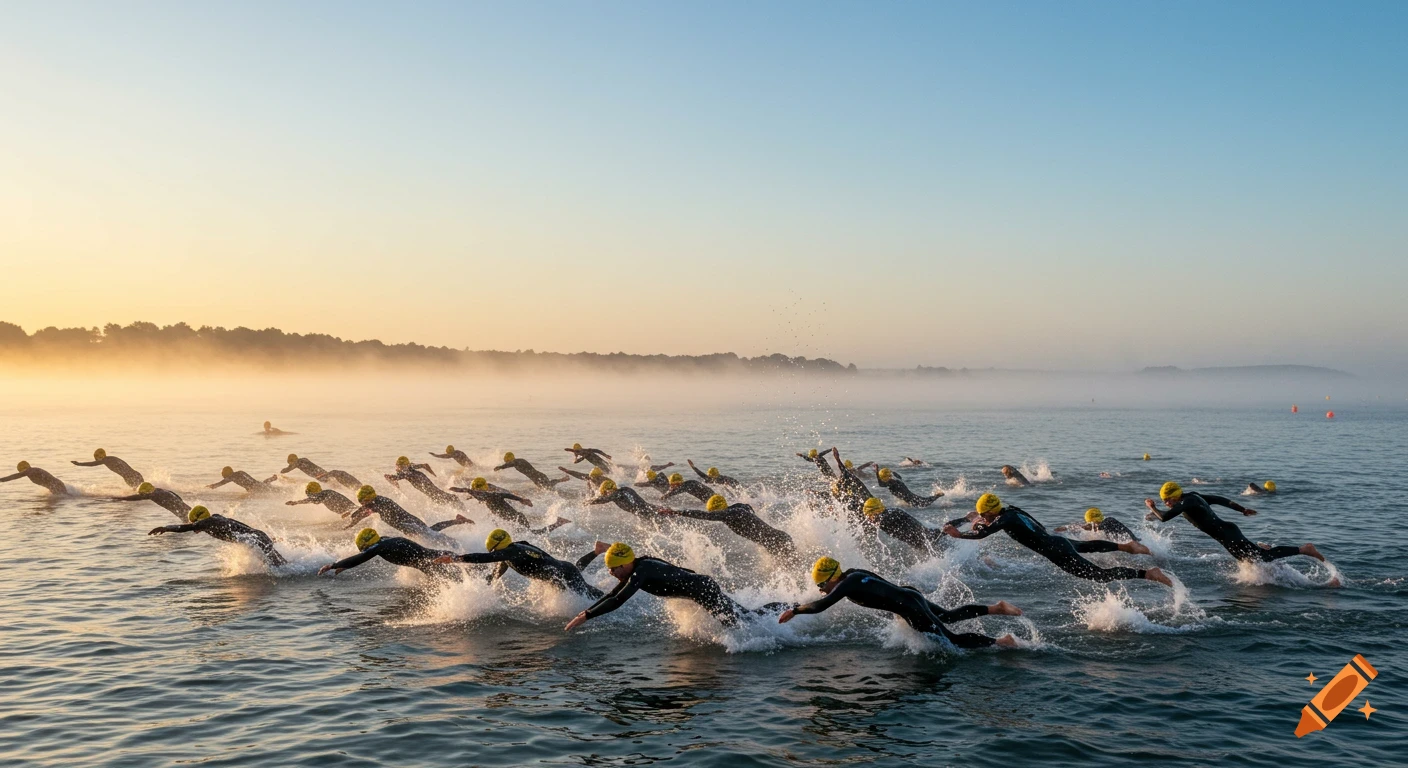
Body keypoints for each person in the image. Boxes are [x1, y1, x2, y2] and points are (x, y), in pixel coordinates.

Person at [778, 557, 1021, 649]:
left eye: (822, 585)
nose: (821, 590)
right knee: (946, 616)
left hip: (909, 605)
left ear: (833, 578)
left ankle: (1002, 642)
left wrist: (795, 611)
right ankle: (995, 608)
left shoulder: (847, 585)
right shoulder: (852, 573)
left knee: (952, 641)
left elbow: (822, 606)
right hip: (908, 595)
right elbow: (882, 585)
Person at [944, 493, 1170, 586]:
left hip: (1055, 550)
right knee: (1085, 546)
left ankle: (1149, 574)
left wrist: (959, 534)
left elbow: (982, 534)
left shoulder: (1004, 520)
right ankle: (1126, 546)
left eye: (985, 514)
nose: (983, 517)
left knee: (1098, 576)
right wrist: (983, 521)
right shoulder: (1012, 511)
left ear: (992, 511)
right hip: (1054, 541)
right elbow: (1038, 525)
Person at [563, 542, 788, 630]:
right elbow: (613, 593)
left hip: (704, 590)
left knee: (742, 625)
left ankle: (784, 611)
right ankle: (784, 608)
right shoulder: (640, 566)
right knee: (746, 617)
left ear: (626, 563)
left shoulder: (640, 571)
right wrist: (586, 612)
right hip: (702, 586)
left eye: (614, 569)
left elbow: (618, 600)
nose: (612, 573)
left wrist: (586, 616)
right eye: (609, 570)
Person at [1144, 482, 1325, 565]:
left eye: (1167, 499)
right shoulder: (1192, 497)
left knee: (1261, 559)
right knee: (1251, 562)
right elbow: (1219, 499)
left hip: (1228, 534)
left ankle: (1303, 549)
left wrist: (1152, 507)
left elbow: (1164, 518)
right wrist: (1241, 509)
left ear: (1175, 495)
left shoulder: (1186, 502)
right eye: (1163, 501)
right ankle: (1262, 547)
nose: (1166, 503)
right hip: (1228, 532)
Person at [433, 529, 605, 598]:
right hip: (562, 570)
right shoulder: (512, 552)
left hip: (562, 574)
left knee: (589, 596)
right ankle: (596, 551)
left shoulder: (513, 551)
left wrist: (456, 558)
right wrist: (485, 587)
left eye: (495, 551)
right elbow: (497, 571)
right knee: (577, 575)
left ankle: (613, 600)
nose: (495, 555)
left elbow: (484, 558)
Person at [660, 495, 798, 560]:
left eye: (715, 513)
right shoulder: (736, 509)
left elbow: (705, 516)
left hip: (777, 543)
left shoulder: (730, 514)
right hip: (777, 541)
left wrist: (677, 511)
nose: (714, 516)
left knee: (794, 569)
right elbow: (745, 505)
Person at [148, 506, 287, 566]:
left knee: (279, 568)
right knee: (281, 565)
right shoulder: (216, 518)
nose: (196, 527)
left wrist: (166, 528)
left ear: (200, 519)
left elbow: (186, 528)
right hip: (257, 537)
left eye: (196, 523)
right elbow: (245, 527)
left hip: (256, 540)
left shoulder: (208, 522)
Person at [345, 485, 471, 548]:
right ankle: (457, 521)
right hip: (408, 524)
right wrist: (353, 518)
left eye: (363, 500)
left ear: (370, 497)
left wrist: (352, 521)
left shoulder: (379, 502)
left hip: (409, 524)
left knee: (431, 535)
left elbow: (363, 512)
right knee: (430, 532)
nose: (362, 503)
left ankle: (456, 544)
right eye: (360, 500)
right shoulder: (375, 502)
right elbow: (363, 511)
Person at [317, 528, 461, 580]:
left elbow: (361, 558)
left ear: (368, 544)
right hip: (433, 559)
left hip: (435, 560)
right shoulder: (383, 541)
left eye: (365, 547)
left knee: (458, 578)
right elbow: (363, 557)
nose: (365, 550)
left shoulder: (380, 546)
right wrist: (346, 566)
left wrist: (333, 565)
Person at [450, 477, 571, 534]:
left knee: (534, 534)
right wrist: (461, 490)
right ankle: (558, 523)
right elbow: (469, 491)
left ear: (480, 490)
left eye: (476, 491)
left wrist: (522, 499)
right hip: (514, 518)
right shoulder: (486, 494)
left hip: (517, 519)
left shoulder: (491, 495)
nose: (475, 494)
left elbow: (505, 495)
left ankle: (558, 523)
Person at [862, 497, 946, 553]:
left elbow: (886, 519)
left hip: (927, 541)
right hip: (928, 537)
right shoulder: (889, 512)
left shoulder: (886, 518)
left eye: (869, 516)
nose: (868, 519)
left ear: (875, 512)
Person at [385, 456, 463, 507]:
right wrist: (433, 474)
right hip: (434, 493)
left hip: (434, 494)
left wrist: (391, 479)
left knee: (452, 500)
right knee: (452, 500)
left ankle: (466, 515)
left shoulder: (406, 473)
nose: (396, 468)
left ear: (402, 466)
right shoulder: (411, 467)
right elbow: (425, 465)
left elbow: (394, 478)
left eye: (398, 466)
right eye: (397, 466)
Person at [1054, 508, 1146, 549]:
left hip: (1137, 546)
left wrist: (1067, 527)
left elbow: (1088, 527)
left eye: (1089, 521)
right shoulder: (1108, 523)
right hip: (1136, 545)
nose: (1089, 524)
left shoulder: (1108, 522)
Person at [584, 479, 665, 519]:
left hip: (644, 512)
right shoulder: (625, 489)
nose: (605, 495)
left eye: (605, 493)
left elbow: (604, 500)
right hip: (649, 507)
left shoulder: (615, 494)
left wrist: (588, 502)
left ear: (607, 490)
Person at [495, 452, 571, 491]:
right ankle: (561, 479)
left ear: (510, 459)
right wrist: (502, 467)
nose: (507, 463)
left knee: (548, 488)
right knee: (547, 488)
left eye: (507, 461)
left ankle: (562, 479)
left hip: (539, 477)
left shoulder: (518, 461)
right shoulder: (515, 463)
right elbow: (511, 464)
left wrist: (501, 467)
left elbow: (512, 463)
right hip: (536, 479)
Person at [70, 448, 144, 488]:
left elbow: (92, 464)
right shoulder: (111, 458)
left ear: (99, 456)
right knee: (143, 490)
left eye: (96, 456)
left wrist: (79, 464)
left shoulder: (106, 460)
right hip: (136, 474)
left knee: (140, 491)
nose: (95, 458)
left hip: (130, 478)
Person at [116, 481, 191, 519]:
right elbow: (177, 496)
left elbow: (134, 498)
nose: (142, 495)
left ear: (146, 492)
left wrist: (120, 498)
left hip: (184, 513)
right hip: (187, 508)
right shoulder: (160, 490)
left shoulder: (153, 495)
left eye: (142, 494)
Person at [874, 467, 943, 508]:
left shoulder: (891, 483)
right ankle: (937, 495)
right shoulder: (895, 480)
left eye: (881, 478)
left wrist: (877, 472)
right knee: (926, 501)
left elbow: (881, 484)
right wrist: (890, 472)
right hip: (911, 497)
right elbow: (899, 476)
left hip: (911, 499)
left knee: (925, 503)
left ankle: (938, 495)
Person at [285, 481, 359, 516]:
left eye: (309, 494)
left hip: (353, 511)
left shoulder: (327, 496)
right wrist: (296, 503)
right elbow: (310, 500)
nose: (309, 496)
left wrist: (348, 512)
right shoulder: (324, 494)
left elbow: (346, 504)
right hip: (353, 511)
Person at [1, 461, 68, 495]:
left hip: (56, 485)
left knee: (66, 499)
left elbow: (14, 476)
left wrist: (1, 480)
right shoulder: (32, 471)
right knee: (66, 498)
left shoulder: (29, 471)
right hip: (57, 485)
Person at [207, 466, 279, 494]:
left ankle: (272, 478)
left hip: (255, 488)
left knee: (271, 491)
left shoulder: (232, 476)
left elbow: (219, 484)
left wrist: (207, 487)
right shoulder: (240, 472)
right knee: (266, 485)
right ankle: (273, 478)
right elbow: (249, 480)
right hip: (258, 484)